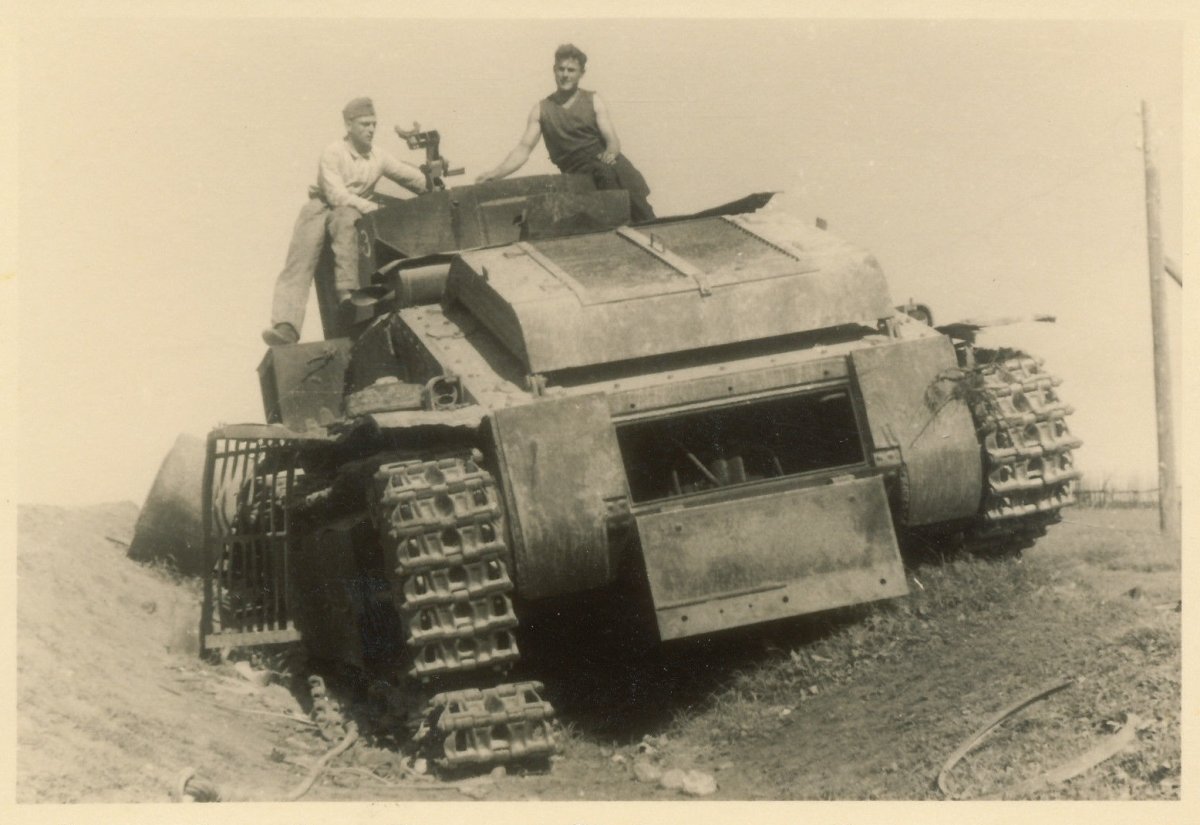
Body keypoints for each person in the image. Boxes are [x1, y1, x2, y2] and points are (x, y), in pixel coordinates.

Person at [262, 97, 426, 346]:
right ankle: (286, 326)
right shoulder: (333, 152)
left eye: (374, 124)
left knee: (347, 222)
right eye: (364, 124)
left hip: (349, 210)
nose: (371, 129)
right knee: (301, 257)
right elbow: (336, 195)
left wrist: (432, 182)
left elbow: (410, 177)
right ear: (349, 126)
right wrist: (373, 208)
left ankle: (347, 295)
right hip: (322, 206)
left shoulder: (378, 156)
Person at [475, 43, 656, 222]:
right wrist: (496, 173)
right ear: (554, 70)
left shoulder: (594, 100)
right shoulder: (541, 110)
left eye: (571, 70)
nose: (565, 75)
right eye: (561, 69)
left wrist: (610, 154)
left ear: (581, 73)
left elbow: (613, 141)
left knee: (640, 212)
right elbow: (523, 149)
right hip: (577, 175)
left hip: (606, 166)